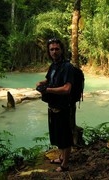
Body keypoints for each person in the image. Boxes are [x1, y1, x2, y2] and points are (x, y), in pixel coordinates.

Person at [36, 38, 74, 172]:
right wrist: (41, 83)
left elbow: (67, 88)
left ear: (62, 50)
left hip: (63, 107)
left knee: (65, 136)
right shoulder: (53, 65)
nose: (54, 52)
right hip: (52, 106)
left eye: (57, 49)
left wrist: (48, 90)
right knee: (57, 135)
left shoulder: (67, 67)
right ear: (49, 51)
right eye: (51, 49)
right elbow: (48, 79)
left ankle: (65, 165)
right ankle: (62, 157)